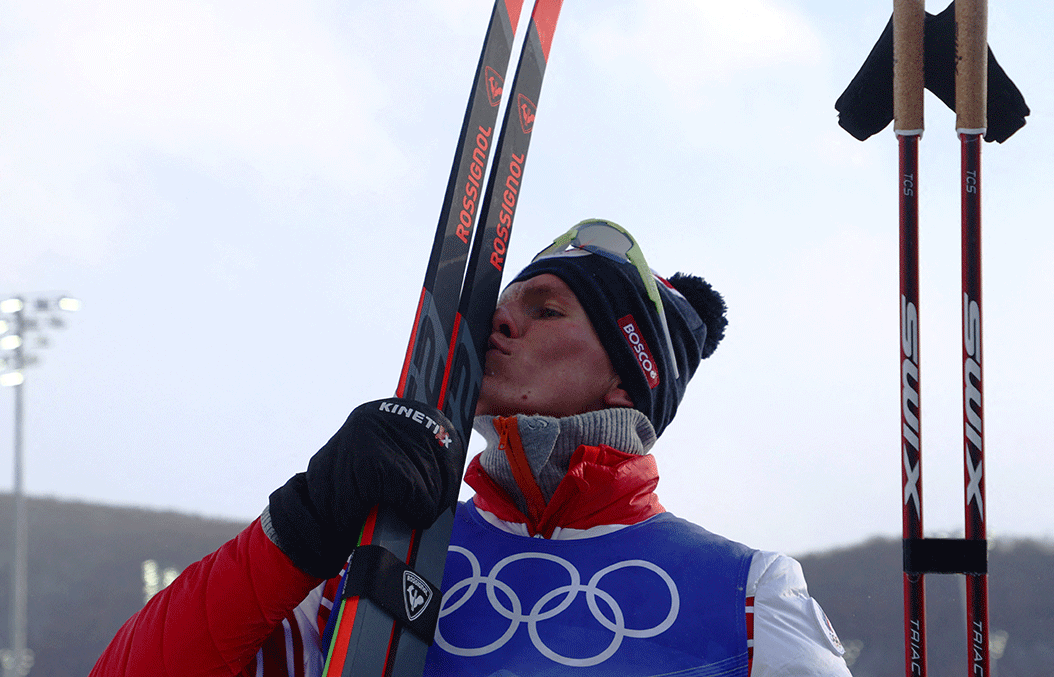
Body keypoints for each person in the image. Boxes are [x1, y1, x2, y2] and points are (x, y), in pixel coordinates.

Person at [91, 219, 852, 676]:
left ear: (628, 379)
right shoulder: (377, 564)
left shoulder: (745, 594)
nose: (499, 323)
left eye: (547, 310)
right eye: (500, 307)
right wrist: (305, 522)